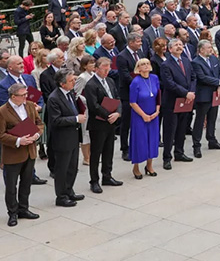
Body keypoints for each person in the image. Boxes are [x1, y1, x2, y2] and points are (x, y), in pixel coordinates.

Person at [0, 82, 43, 226]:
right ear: (13, 96)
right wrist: (18, 140)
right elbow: (1, 135)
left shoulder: (30, 105)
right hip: (13, 154)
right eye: (23, 95)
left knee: (26, 184)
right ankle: (12, 213)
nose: (26, 97)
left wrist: (36, 135)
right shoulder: (2, 111)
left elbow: (39, 123)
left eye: (26, 94)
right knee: (11, 186)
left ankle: (24, 209)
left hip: (30, 151)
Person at [82, 57, 122, 193]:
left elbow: (117, 98)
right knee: (96, 153)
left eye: (108, 68)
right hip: (98, 123)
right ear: (96, 68)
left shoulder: (110, 81)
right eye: (104, 68)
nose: (107, 71)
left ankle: (107, 175)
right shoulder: (91, 85)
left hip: (111, 122)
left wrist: (118, 113)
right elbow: (93, 105)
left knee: (109, 150)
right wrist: (108, 115)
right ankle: (94, 180)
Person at [46, 71, 85, 207]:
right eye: (71, 81)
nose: (74, 82)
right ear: (62, 84)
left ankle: (69, 190)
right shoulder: (54, 98)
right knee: (62, 169)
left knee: (72, 167)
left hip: (73, 136)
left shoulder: (70, 94)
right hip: (62, 139)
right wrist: (75, 119)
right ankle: (61, 196)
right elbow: (55, 120)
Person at [159, 39, 195, 170]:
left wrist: (191, 92)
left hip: (186, 100)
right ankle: (167, 157)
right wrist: (186, 93)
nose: (179, 47)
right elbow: (169, 83)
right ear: (170, 49)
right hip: (172, 101)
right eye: (176, 45)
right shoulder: (166, 64)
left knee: (182, 128)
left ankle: (179, 152)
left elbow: (193, 77)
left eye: (181, 45)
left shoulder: (186, 61)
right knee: (170, 130)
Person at [191, 39, 220, 156]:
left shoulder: (214, 58)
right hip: (203, 95)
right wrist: (218, 82)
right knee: (200, 121)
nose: (210, 50)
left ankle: (212, 140)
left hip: (215, 93)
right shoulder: (196, 62)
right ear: (201, 49)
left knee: (212, 118)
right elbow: (202, 77)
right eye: (208, 48)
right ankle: (196, 145)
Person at [128, 58, 159, 179]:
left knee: (152, 139)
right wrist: (143, 115)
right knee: (140, 140)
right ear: (138, 68)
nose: (145, 66)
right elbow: (132, 102)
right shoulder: (135, 82)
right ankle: (136, 167)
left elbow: (158, 96)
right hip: (139, 116)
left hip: (153, 114)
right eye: (142, 64)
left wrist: (157, 111)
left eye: (147, 64)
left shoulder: (154, 78)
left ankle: (149, 165)